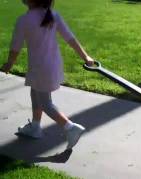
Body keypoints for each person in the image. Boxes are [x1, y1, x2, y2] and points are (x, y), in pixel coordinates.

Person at [0, 0, 94, 150]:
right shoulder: (53, 15)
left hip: (40, 68)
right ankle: (35, 127)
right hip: (51, 66)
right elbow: (70, 38)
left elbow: (15, 47)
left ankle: (71, 128)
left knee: (45, 103)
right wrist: (86, 57)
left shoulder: (24, 20)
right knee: (35, 93)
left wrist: (9, 64)